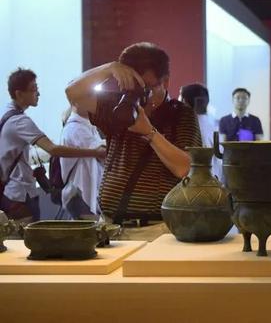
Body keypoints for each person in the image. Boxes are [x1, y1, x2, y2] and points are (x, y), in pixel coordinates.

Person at [65, 42, 202, 234]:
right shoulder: (118, 106)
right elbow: (73, 93)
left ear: (165, 82)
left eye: (147, 88)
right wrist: (110, 68)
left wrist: (150, 133)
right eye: (133, 87)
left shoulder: (180, 114)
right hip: (110, 226)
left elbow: (185, 168)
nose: (140, 95)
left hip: (155, 228)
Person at [1, 69, 104, 222]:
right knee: (25, 234)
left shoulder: (8, 114)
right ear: (19, 94)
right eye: (33, 89)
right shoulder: (19, 121)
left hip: (15, 192)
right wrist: (94, 152)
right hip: (19, 194)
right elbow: (53, 149)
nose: (38, 93)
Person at [60, 106, 106, 219]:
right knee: (90, 228)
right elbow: (101, 152)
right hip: (81, 194)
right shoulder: (75, 128)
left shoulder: (88, 128)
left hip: (83, 193)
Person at [179, 83, 222, 179]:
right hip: (215, 180)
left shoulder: (187, 126)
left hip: (194, 181)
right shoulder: (214, 124)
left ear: (185, 101)